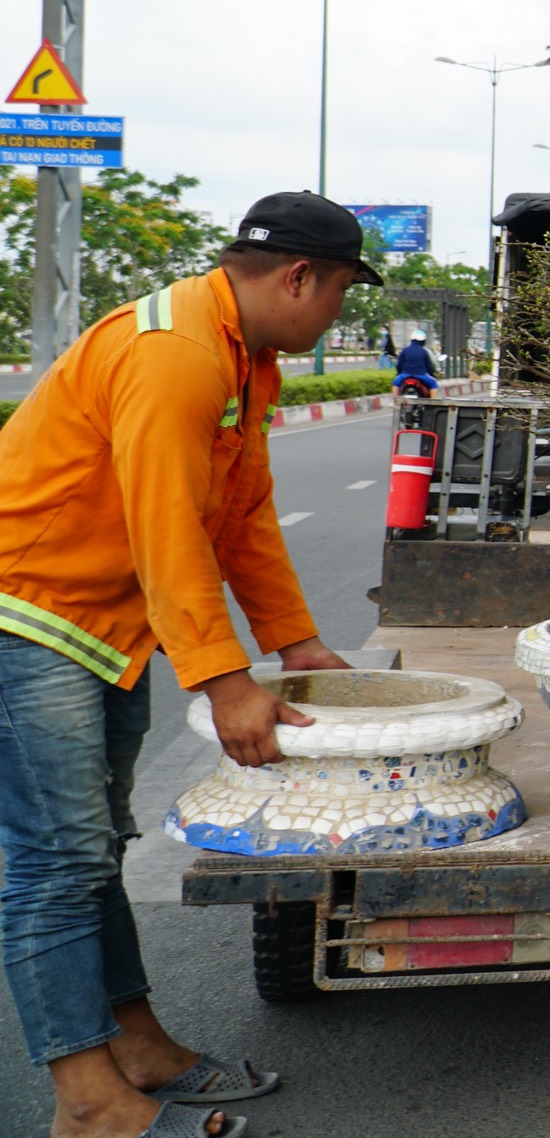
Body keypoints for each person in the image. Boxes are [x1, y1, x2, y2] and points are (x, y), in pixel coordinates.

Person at [0, 191, 378, 1138]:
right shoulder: (175, 353)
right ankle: (89, 1103)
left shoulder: (243, 359)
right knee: (55, 863)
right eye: (342, 291)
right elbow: (165, 525)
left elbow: (243, 513)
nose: (340, 311)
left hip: (98, 625)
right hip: (25, 612)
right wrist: (224, 680)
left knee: (94, 850)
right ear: (300, 277)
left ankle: (136, 1049)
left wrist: (294, 640)